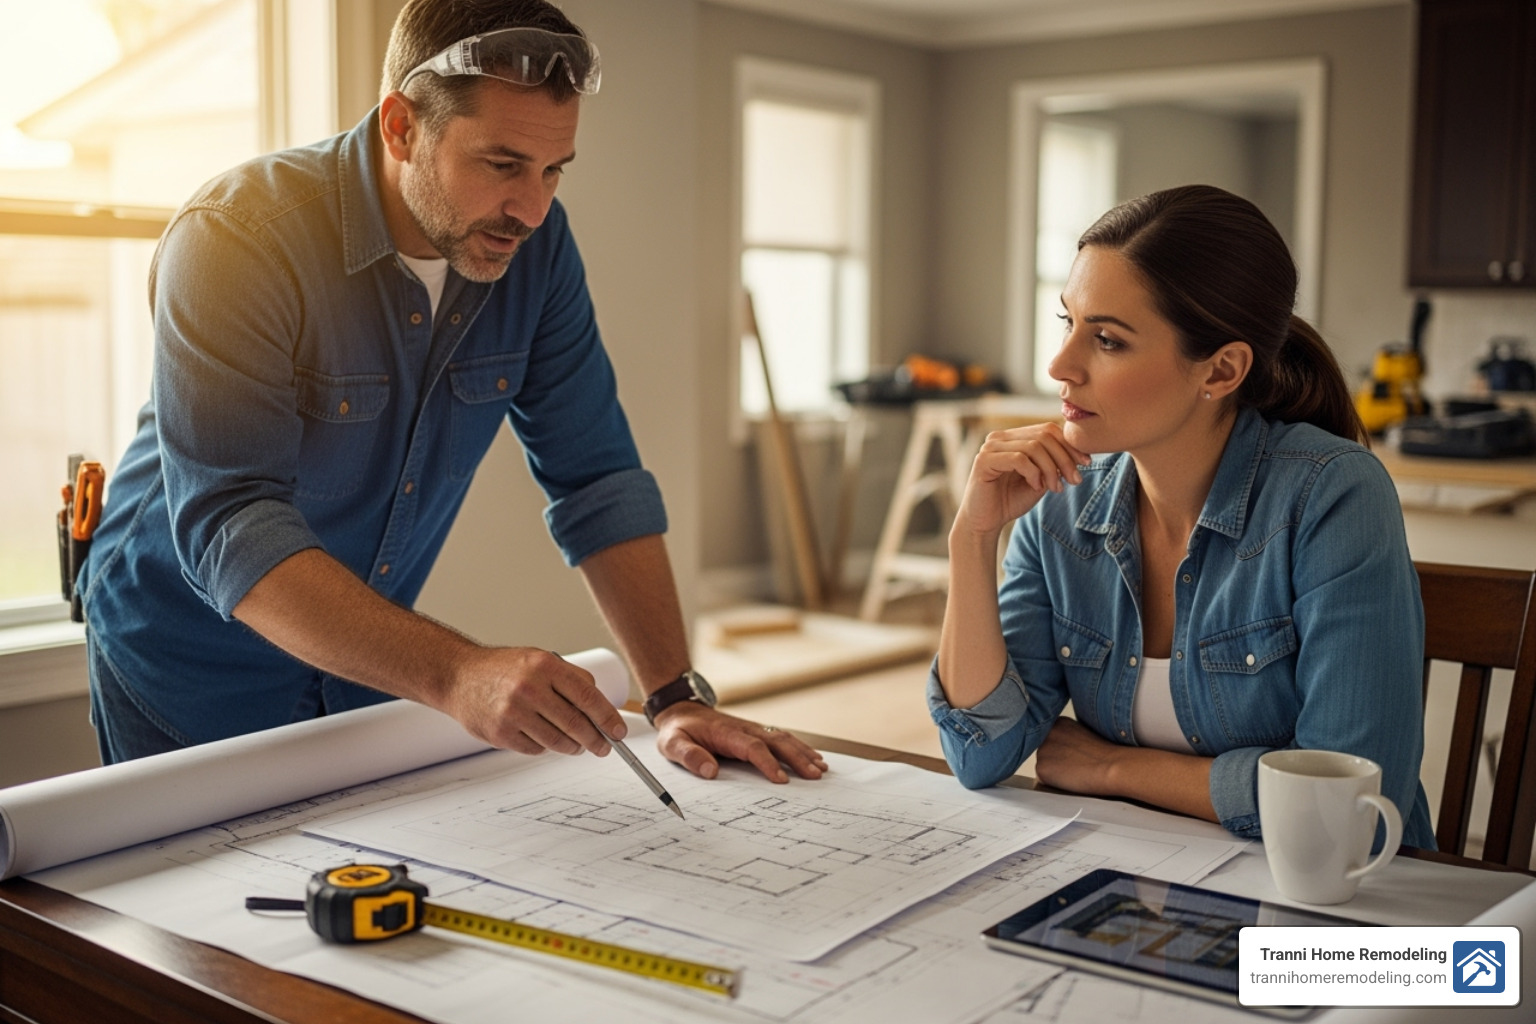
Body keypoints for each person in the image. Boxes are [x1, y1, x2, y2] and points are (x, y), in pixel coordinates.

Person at [79, 0, 826, 787]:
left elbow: (598, 478)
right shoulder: (235, 239)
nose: (532, 210)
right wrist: (457, 674)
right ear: (401, 125)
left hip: (367, 674)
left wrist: (675, 696)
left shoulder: (535, 251)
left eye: (553, 170)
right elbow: (233, 526)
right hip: (185, 669)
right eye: (503, 165)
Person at [928, 184, 1434, 849]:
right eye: (1067, 322)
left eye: (1107, 340)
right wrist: (972, 537)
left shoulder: (1331, 494)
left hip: (1336, 922)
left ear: (1220, 370)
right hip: (1142, 877)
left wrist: (1112, 766)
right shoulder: (1061, 501)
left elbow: (1353, 810)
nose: (1060, 365)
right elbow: (981, 754)